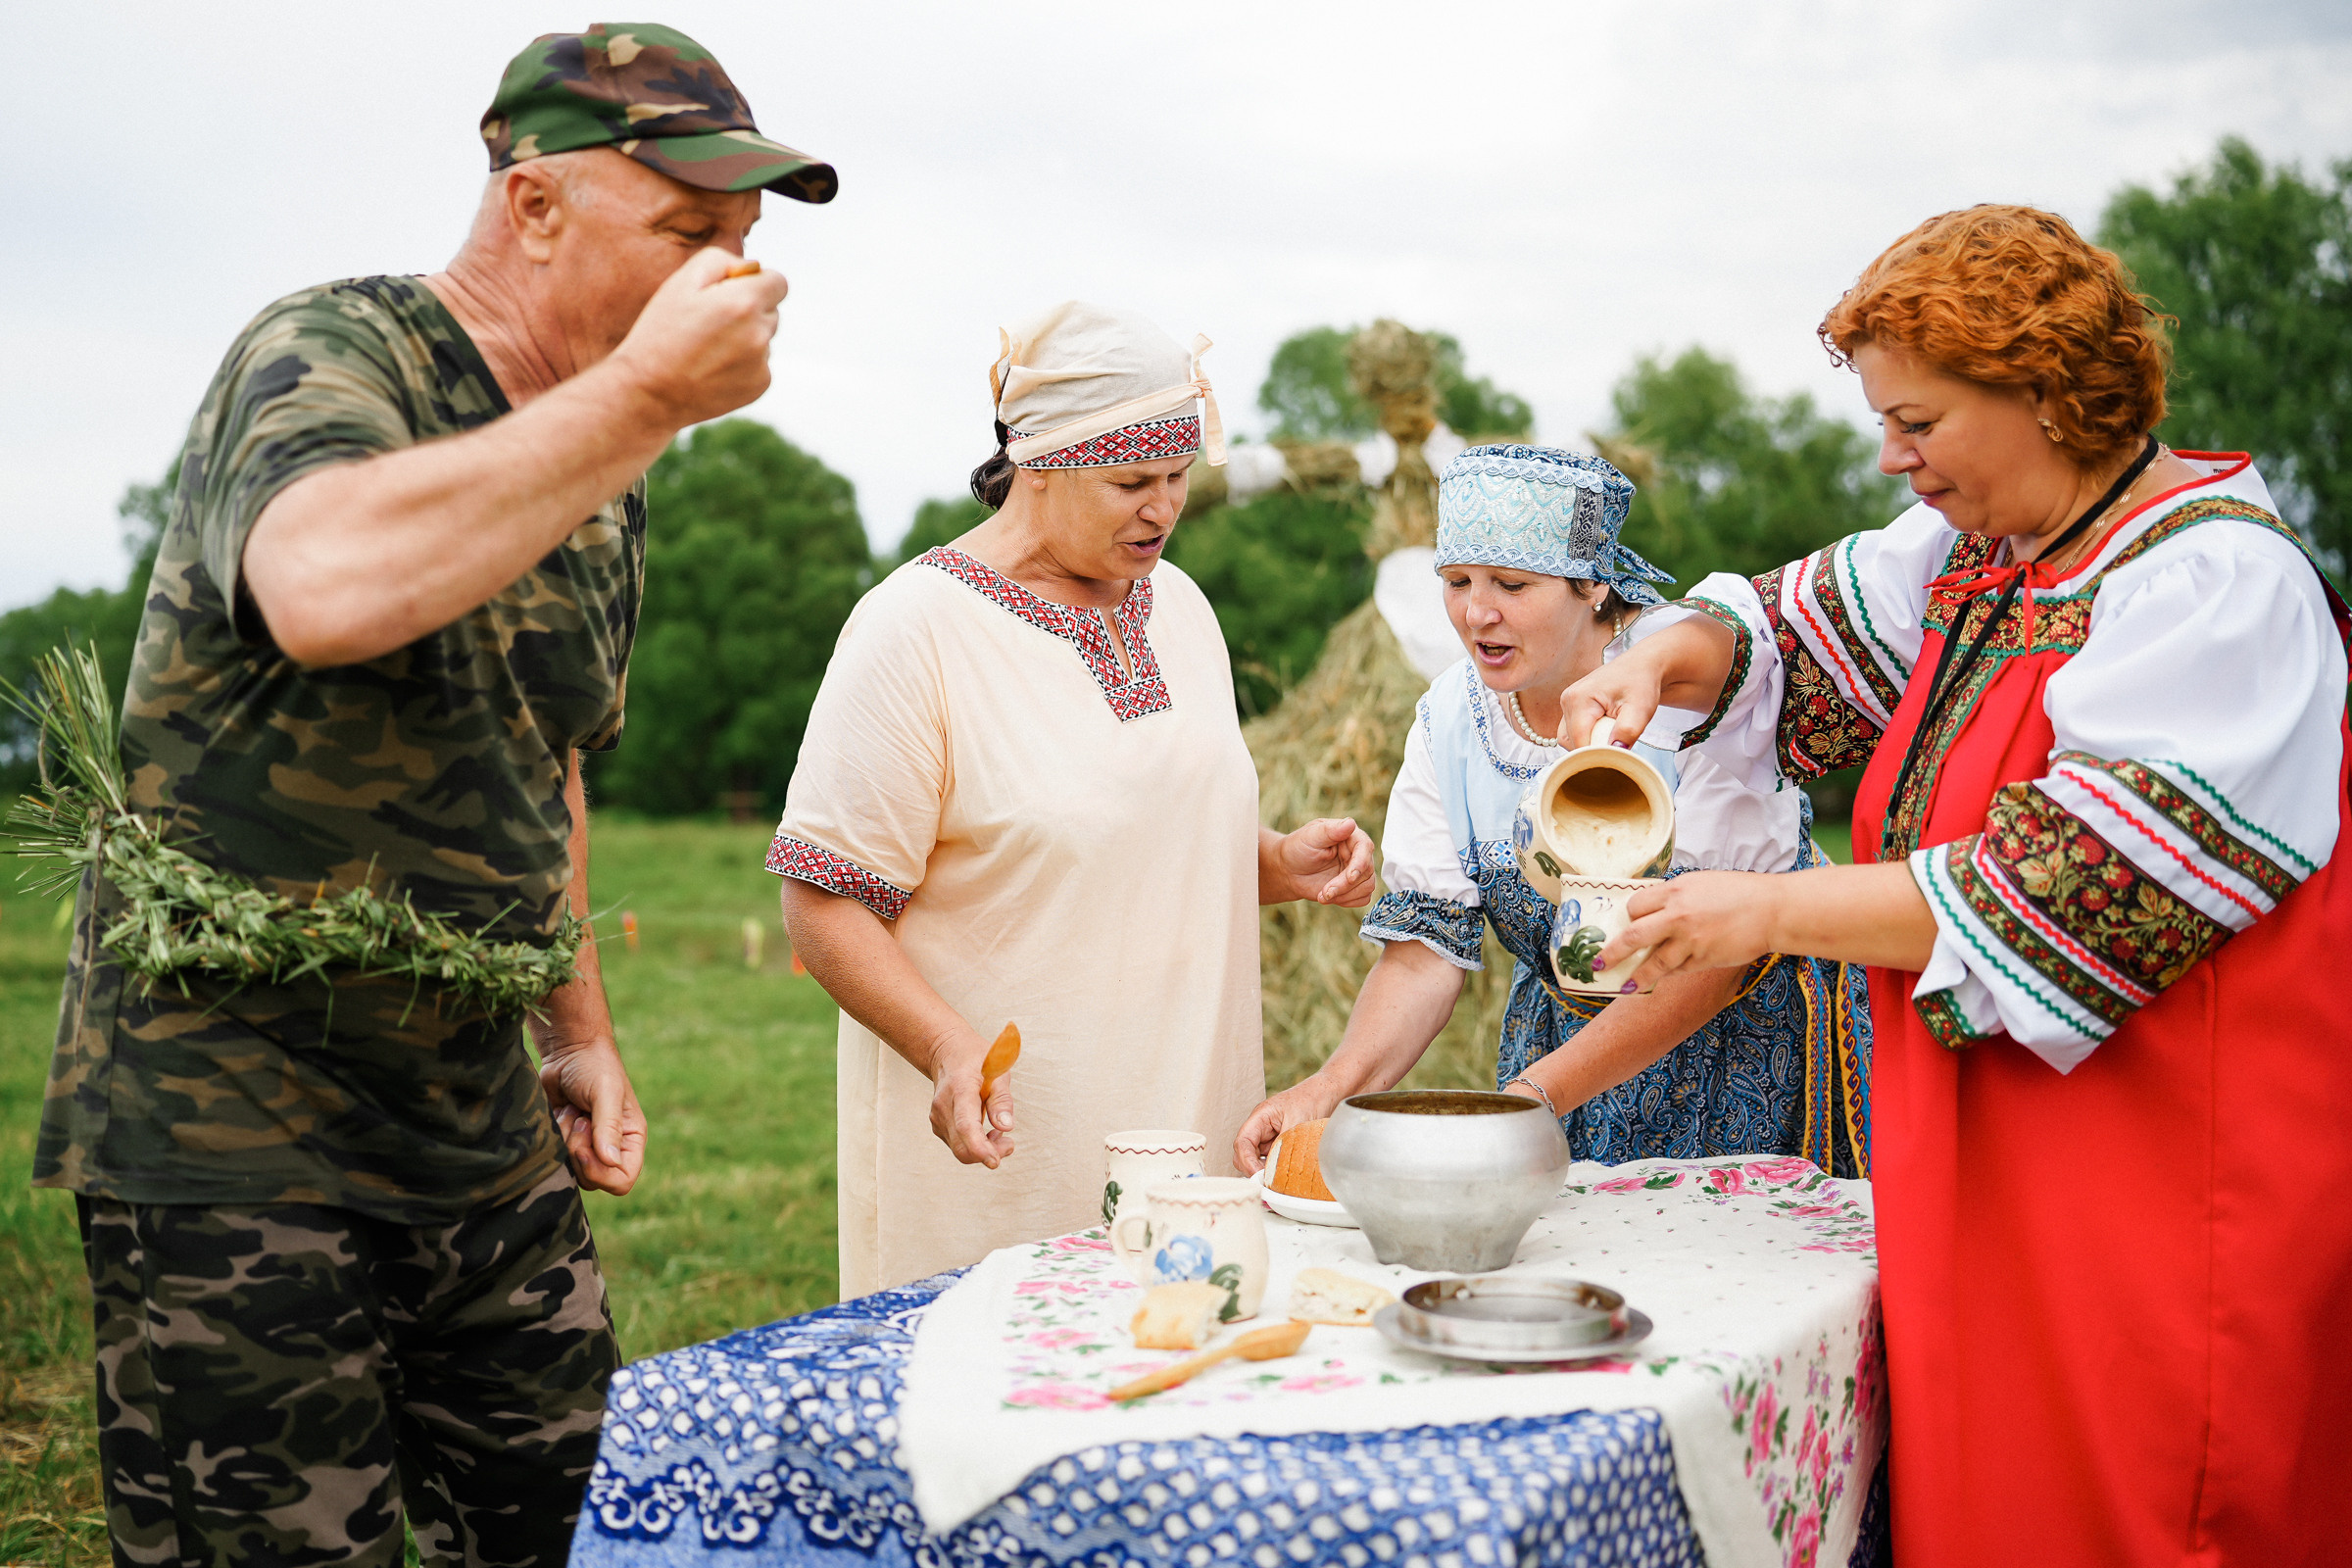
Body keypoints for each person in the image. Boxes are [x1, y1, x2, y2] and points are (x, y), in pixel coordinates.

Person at [31, 24, 830, 1565]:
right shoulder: (334, 352)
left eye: (743, 244)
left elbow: (555, 754)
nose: (733, 277)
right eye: (687, 232)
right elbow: (324, 583)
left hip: (472, 1116)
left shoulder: (611, 458)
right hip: (235, 1113)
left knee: (587, 1528)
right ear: (532, 206)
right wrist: (645, 398)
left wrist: (580, 1029)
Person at [1568, 206, 2351, 1566]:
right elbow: (1779, 631)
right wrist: (1659, 659)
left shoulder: (2213, 586)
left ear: (2044, 391)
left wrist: (1761, 914)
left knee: (2143, 1515)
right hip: (1988, 1184)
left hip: (2156, 1204)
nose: (1894, 457)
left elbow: (2076, 888)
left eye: (1919, 421)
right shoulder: (1980, 559)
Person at [774, 301, 1376, 1298]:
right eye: (1132, 480)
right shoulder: (914, 631)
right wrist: (944, 1047)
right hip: (1006, 1156)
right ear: (1036, 462)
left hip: (1188, 1138)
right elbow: (823, 899)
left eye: (1179, 479)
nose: (1163, 509)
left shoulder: (1180, 607)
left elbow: (1132, 832)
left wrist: (1273, 860)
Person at [1236, 446, 1869, 1177]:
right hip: (1557, 1055)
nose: (1477, 612)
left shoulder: (1688, 686)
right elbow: (1424, 953)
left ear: (1593, 587)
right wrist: (1329, 1088)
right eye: (1456, 581)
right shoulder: (1450, 718)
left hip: (1743, 1048)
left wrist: (1532, 1099)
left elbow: (1714, 956)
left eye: (1511, 582)